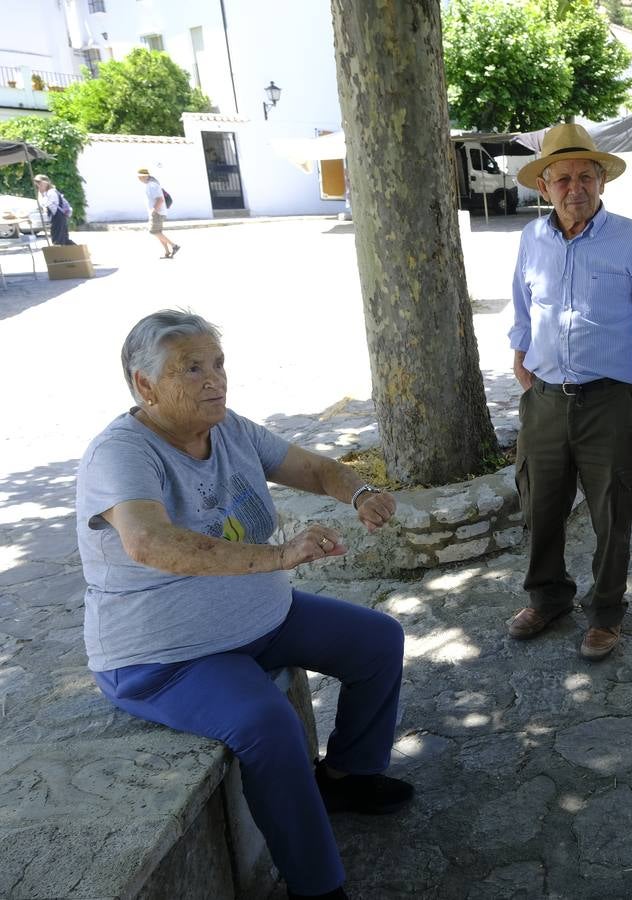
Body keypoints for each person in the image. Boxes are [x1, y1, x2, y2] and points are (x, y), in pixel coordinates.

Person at [76, 310, 412, 900]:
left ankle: (347, 777)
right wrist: (281, 556)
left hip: (264, 620)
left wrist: (359, 492)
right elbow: (149, 542)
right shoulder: (120, 453)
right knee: (268, 725)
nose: (215, 380)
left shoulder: (228, 428)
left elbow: (310, 468)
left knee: (377, 641)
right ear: (145, 385)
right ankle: (316, 886)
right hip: (167, 656)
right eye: (192, 368)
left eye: (218, 363)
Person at [507, 123, 632, 661]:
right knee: (539, 505)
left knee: (614, 511)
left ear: (602, 182)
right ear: (543, 186)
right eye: (563, 179)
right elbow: (523, 311)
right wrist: (523, 363)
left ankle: (606, 613)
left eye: (586, 177)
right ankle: (548, 598)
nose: (576, 189)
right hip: (545, 400)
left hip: (610, 402)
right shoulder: (531, 240)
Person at [136, 167, 179, 259]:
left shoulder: (152, 185)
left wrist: (154, 211)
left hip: (157, 213)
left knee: (153, 231)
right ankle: (167, 252)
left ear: (145, 176)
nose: (138, 178)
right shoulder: (151, 184)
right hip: (158, 212)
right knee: (158, 233)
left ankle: (174, 246)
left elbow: (160, 199)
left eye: (140, 176)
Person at [33, 174, 75, 245]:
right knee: (64, 239)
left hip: (59, 217)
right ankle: (80, 251)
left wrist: (41, 193)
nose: (39, 186)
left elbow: (44, 204)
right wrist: (41, 193)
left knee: (57, 239)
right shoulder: (47, 193)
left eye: (40, 184)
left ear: (46, 183)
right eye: (37, 184)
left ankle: (77, 250)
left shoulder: (51, 192)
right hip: (57, 217)